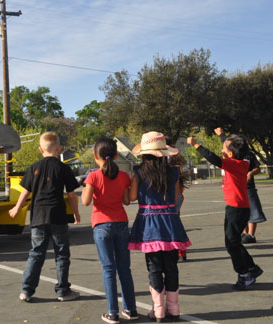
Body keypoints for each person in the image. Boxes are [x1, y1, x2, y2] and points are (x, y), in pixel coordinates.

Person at [9, 131, 81, 303]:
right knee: (62, 254)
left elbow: (25, 191)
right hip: (58, 216)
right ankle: (63, 291)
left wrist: (16, 208)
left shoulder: (34, 167)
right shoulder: (63, 168)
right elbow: (72, 195)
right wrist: (76, 214)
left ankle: (26, 291)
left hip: (39, 217)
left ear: (41, 149)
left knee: (36, 253)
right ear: (59, 149)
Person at [188, 134, 263, 290]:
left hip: (235, 209)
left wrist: (196, 145)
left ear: (230, 153)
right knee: (234, 241)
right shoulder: (241, 163)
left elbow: (213, 159)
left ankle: (243, 274)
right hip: (240, 208)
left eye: (224, 146)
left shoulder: (233, 164)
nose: (221, 148)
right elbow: (222, 155)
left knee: (231, 244)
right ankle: (252, 268)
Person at [129, 132, 190, 322]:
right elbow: (174, 197)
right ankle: (174, 308)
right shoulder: (174, 171)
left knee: (154, 267)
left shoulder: (139, 172)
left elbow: (131, 197)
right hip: (170, 221)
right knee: (171, 266)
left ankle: (158, 310)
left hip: (149, 222)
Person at [81, 137, 137, 323]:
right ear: (115, 155)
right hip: (120, 223)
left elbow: (86, 201)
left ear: (96, 156)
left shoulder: (93, 176)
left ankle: (112, 312)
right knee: (124, 269)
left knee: (108, 269)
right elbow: (127, 201)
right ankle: (130, 309)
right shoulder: (123, 176)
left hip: (101, 224)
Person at [214, 128, 265, 244]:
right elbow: (227, 144)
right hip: (238, 189)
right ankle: (244, 232)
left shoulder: (249, 155)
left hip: (249, 187)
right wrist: (221, 135)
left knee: (252, 211)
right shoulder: (235, 156)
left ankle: (251, 235)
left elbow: (257, 167)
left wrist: (250, 173)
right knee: (242, 214)